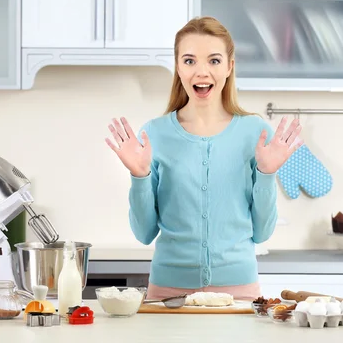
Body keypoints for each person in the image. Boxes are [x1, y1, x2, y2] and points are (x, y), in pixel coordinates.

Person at [105, 16, 303, 301]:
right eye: (189, 61)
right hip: (168, 295)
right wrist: (139, 176)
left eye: (213, 60)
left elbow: (262, 233)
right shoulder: (154, 134)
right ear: (177, 67)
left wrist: (266, 173)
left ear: (229, 66)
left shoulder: (255, 133)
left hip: (240, 294)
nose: (201, 72)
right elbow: (144, 233)